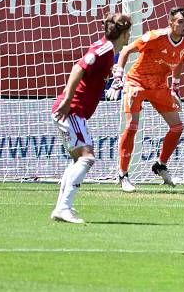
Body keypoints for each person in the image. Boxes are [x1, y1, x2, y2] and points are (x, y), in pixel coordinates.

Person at [50, 13, 133, 223]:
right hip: (72, 110)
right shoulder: (104, 49)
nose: (129, 36)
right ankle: (64, 208)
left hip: (74, 111)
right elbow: (78, 67)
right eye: (128, 32)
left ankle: (62, 207)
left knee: (79, 159)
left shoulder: (107, 50)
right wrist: (68, 100)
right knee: (87, 157)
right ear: (123, 34)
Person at [110, 7, 184, 192]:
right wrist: (118, 78)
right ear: (170, 23)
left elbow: (179, 63)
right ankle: (123, 174)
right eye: (180, 22)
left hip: (159, 86)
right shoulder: (154, 37)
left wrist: (175, 88)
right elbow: (125, 51)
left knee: (178, 127)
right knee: (132, 127)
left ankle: (160, 165)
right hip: (136, 82)